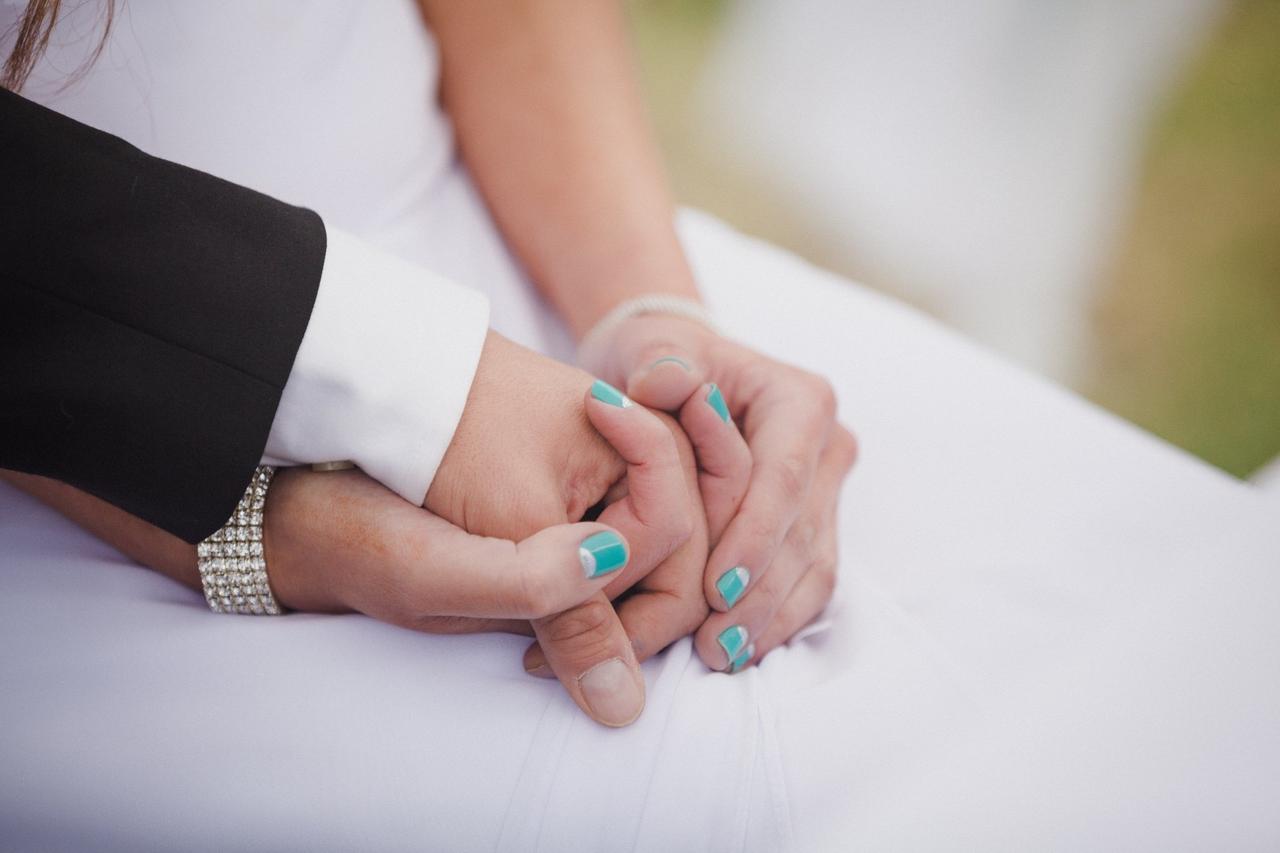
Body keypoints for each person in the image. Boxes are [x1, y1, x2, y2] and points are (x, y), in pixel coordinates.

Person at [2, 3, 1277, 851]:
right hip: (65, 474)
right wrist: (266, 491)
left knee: (1191, 642)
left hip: (517, 236)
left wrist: (643, 306)